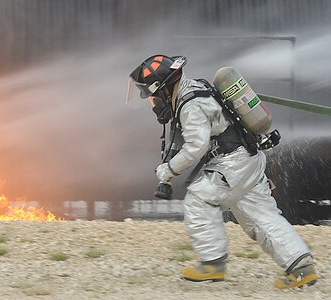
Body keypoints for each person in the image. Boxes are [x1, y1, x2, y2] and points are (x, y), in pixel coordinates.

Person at [126, 54, 318, 289]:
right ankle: (302, 268)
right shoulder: (195, 89)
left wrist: (169, 170)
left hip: (233, 162)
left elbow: (196, 147)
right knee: (261, 218)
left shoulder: (190, 104)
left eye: (152, 96)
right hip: (248, 159)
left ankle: (212, 264)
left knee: (199, 198)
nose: (153, 102)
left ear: (164, 90)